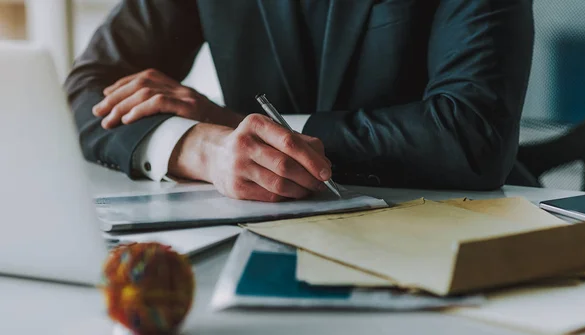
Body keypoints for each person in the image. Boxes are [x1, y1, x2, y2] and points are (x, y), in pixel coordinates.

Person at [65, 0, 534, 202]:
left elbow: (472, 134)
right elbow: (88, 86)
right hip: (259, 227)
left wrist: (230, 122)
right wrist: (197, 146)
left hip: (459, 225)